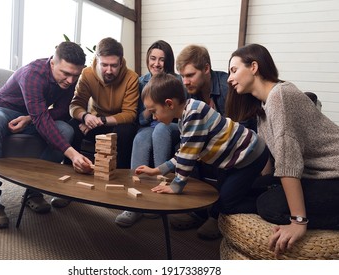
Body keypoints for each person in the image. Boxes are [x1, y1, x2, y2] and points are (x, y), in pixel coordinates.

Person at [227, 43, 339, 257]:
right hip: (315, 175)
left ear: (253, 67)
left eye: (234, 70)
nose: (229, 79)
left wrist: (298, 220)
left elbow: (288, 161)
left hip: (333, 174)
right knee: (248, 191)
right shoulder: (262, 109)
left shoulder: (281, 95)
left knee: (271, 206)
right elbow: (269, 161)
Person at [135, 72, 269, 239]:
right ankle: (212, 211)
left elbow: (187, 157)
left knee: (226, 203)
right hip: (233, 159)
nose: (154, 117)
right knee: (221, 194)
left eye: (154, 111)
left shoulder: (194, 114)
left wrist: (176, 186)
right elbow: (183, 153)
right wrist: (157, 171)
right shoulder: (187, 115)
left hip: (250, 155)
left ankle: (267, 198)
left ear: (169, 104)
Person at [0, 41, 93, 229]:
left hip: (30, 116)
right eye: (66, 73)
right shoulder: (33, 73)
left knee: (66, 129)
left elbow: (62, 110)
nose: (71, 81)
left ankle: (34, 192)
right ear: (53, 63)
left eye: (75, 75)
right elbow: (42, 117)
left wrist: (29, 118)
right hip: (2, 110)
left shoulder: (69, 79)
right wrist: (72, 154)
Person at [52, 37, 139, 208]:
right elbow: (75, 105)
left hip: (116, 123)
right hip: (95, 121)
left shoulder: (131, 78)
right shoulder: (87, 74)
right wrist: (85, 117)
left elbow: (130, 114)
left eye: (113, 65)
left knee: (126, 131)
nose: (108, 70)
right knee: (71, 127)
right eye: (104, 64)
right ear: (97, 60)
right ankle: (69, 186)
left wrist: (100, 120)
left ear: (120, 63)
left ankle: (118, 189)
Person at [114, 40, 182, 227]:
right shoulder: (141, 81)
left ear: (168, 62)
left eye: (161, 59)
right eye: (153, 58)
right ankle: (134, 205)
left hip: (171, 125)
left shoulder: (177, 81)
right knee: (140, 137)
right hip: (148, 126)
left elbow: (182, 114)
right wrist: (150, 107)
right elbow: (140, 119)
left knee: (160, 129)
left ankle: (160, 196)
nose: (156, 63)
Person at [168, 44, 230, 237]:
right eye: (182, 76)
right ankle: (197, 211)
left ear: (206, 69)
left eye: (190, 75)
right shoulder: (189, 91)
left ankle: (216, 215)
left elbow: (237, 129)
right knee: (183, 148)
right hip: (205, 142)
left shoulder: (228, 88)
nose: (185, 81)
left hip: (229, 143)